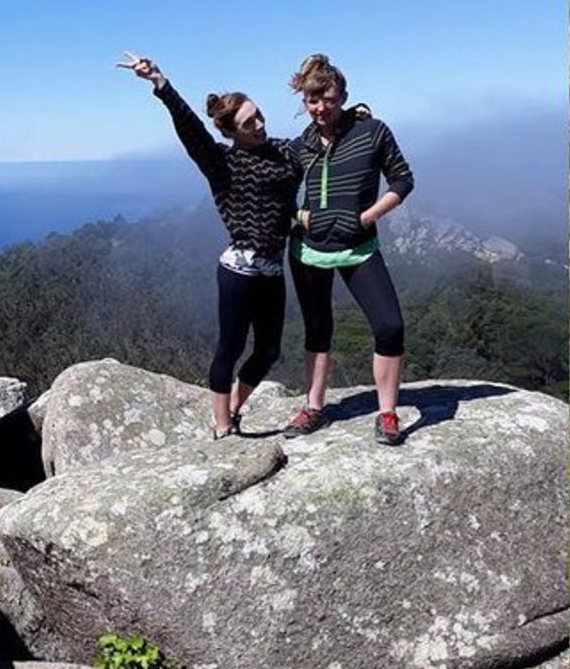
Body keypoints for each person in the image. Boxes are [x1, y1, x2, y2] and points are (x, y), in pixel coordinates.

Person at [117, 52, 301, 439]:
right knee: (230, 348)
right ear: (231, 131)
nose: (260, 125)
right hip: (238, 271)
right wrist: (160, 83)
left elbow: (316, 143)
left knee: (268, 351)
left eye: (260, 116)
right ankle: (221, 426)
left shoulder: (284, 151)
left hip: (273, 269)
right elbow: (190, 130)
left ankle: (234, 408)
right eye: (250, 122)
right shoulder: (222, 164)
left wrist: (354, 117)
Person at [282, 54, 414, 445]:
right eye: (312, 100)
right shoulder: (299, 145)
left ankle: (387, 413)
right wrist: (302, 218)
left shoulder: (372, 132)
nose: (321, 108)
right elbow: (278, 197)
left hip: (358, 247)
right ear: (303, 100)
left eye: (329, 99)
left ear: (343, 96)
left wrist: (367, 217)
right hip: (308, 252)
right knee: (318, 330)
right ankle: (314, 407)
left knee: (390, 326)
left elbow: (403, 181)